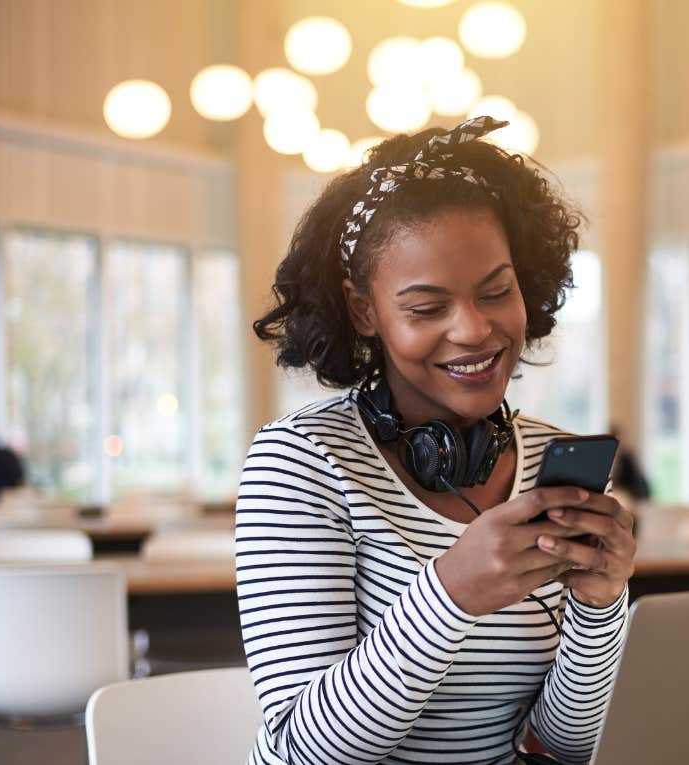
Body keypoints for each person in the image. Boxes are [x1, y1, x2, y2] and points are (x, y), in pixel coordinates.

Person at [239, 116, 634, 765]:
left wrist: (599, 608)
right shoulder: (303, 459)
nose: (474, 329)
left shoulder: (556, 462)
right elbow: (305, 753)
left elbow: (562, 748)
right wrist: (450, 593)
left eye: (497, 291)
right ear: (366, 309)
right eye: (427, 308)